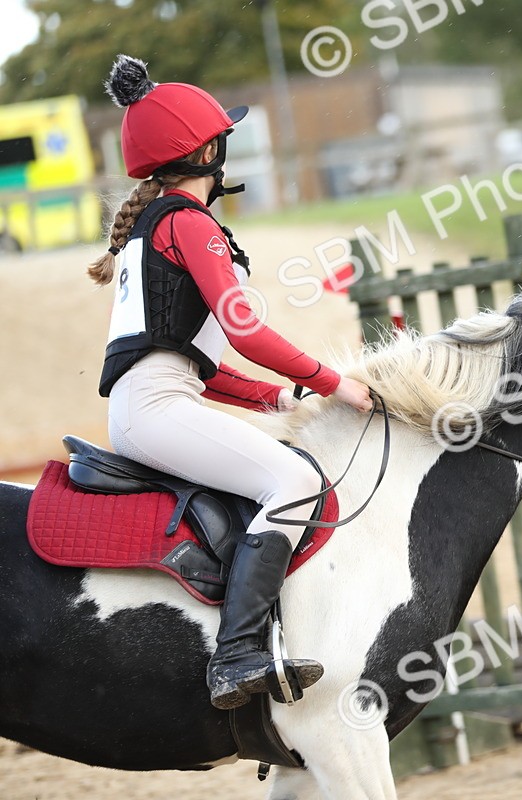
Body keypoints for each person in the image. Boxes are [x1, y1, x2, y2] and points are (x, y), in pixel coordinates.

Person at [89, 55, 373, 711]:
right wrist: (333, 382)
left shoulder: (148, 232)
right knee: (297, 481)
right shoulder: (189, 224)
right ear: (208, 149)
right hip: (158, 410)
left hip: (153, 402)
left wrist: (278, 396)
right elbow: (243, 332)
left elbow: (195, 366)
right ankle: (237, 655)